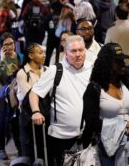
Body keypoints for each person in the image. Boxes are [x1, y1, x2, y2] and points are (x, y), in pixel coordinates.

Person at [29, 35, 92, 165]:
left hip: (88, 136)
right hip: (61, 137)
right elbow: (34, 93)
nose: (78, 54)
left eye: (81, 50)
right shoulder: (55, 70)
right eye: (73, 51)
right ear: (65, 52)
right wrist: (36, 111)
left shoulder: (91, 68)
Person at [82, 43, 129, 165]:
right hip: (104, 147)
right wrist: (122, 128)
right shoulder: (94, 88)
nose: (123, 64)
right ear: (107, 63)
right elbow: (91, 121)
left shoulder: (127, 83)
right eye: (118, 61)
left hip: (128, 143)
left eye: (123, 60)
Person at [0, 32, 22, 160]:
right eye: (6, 44)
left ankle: (20, 149)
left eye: (11, 43)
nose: (9, 47)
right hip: (1, 96)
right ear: (2, 46)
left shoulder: (20, 57)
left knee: (16, 125)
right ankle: (1, 149)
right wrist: (2, 59)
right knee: (1, 124)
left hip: (16, 96)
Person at [16, 43, 46, 160]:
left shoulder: (47, 70)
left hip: (45, 116)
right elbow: (30, 95)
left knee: (44, 152)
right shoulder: (22, 73)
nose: (44, 55)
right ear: (30, 55)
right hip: (28, 118)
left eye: (43, 52)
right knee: (30, 153)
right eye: (40, 52)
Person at [105, 4, 129, 93]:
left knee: (117, 93)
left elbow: (107, 49)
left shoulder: (111, 30)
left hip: (115, 66)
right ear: (128, 14)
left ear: (116, 15)